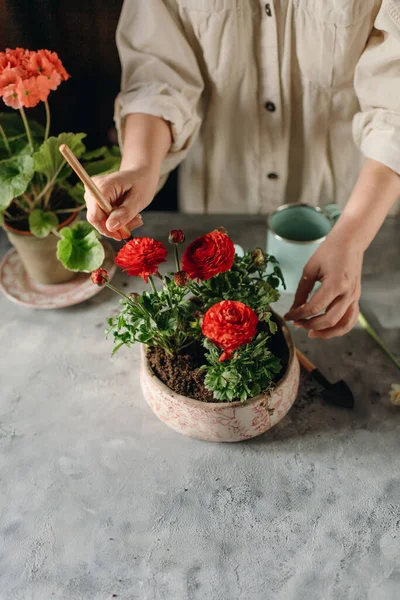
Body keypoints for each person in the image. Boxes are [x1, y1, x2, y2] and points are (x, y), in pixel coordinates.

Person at [85, 0, 400, 339]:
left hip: (355, 200)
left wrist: (351, 235)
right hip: (220, 195)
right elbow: (156, 75)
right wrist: (140, 166)